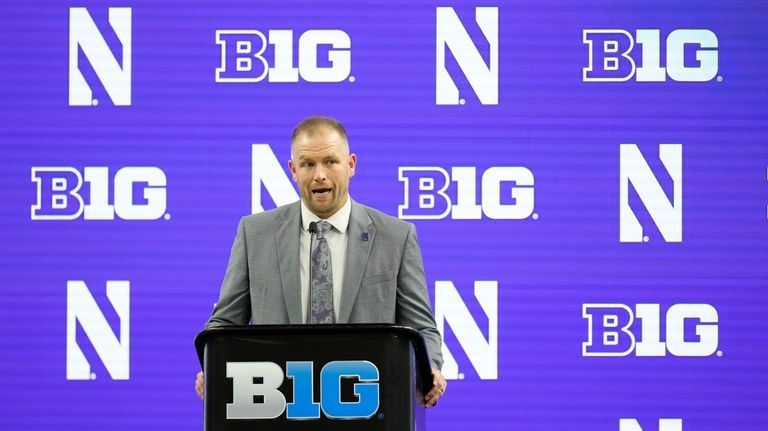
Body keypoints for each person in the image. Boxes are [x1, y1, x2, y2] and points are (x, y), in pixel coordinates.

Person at [195, 116, 446, 407]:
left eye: (330, 162)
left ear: (351, 165)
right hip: (279, 408)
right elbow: (225, 323)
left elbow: (421, 327)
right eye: (308, 164)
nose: (320, 175)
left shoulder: (396, 236)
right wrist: (212, 364)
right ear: (292, 170)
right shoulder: (255, 233)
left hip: (367, 407)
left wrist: (430, 370)